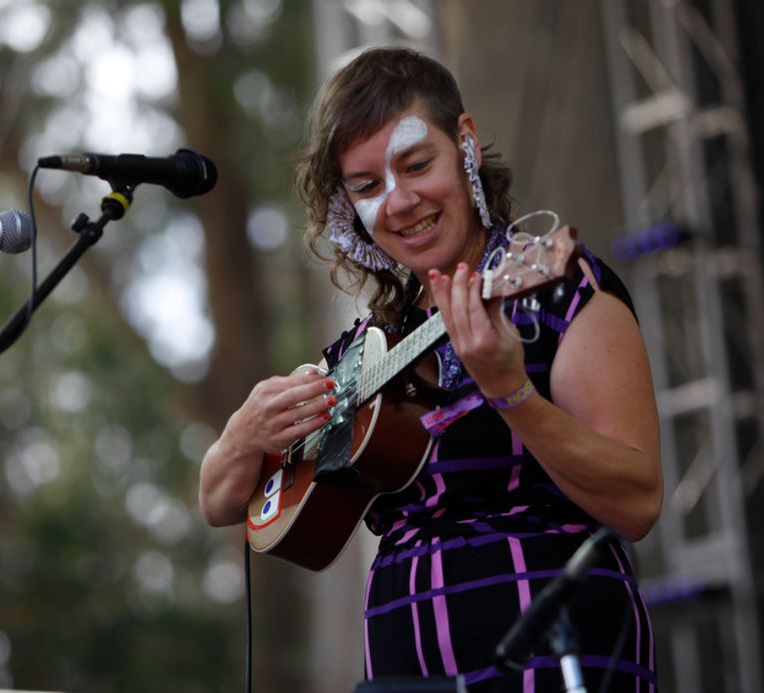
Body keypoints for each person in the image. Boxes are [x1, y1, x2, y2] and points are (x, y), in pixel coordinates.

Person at [199, 46, 662, 692]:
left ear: (464, 142)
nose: (400, 200)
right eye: (366, 186)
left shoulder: (556, 289)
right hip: (404, 670)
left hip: (553, 657)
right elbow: (221, 500)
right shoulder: (364, 349)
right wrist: (242, 436)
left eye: (417, 164)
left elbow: (638, 500)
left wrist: (511, 391)